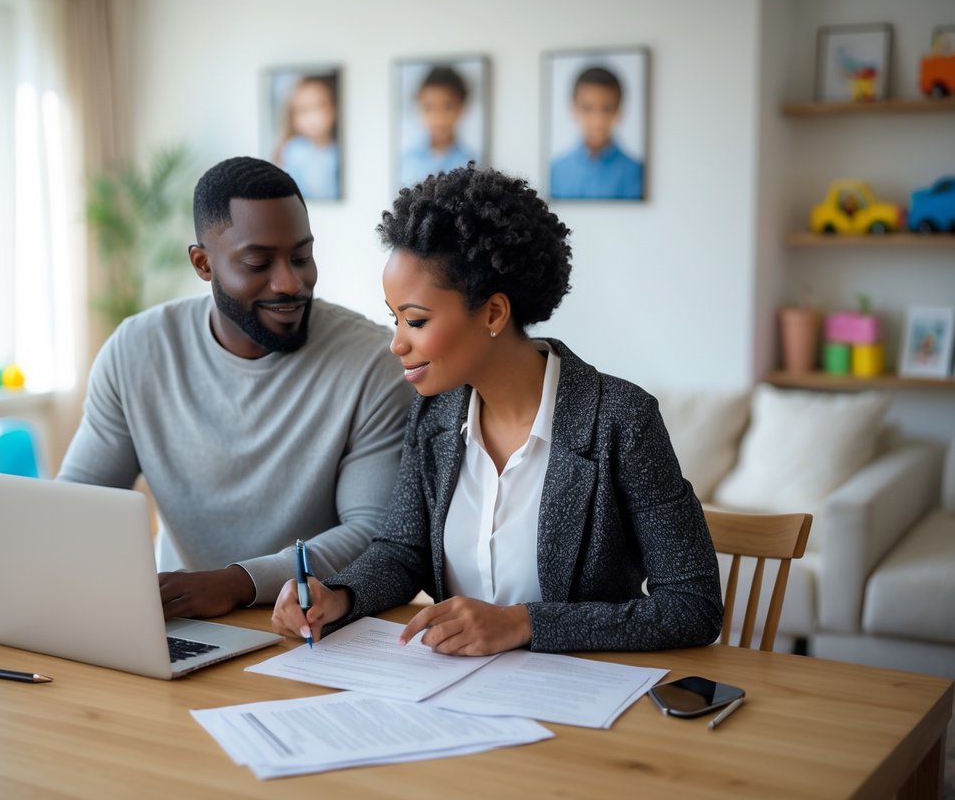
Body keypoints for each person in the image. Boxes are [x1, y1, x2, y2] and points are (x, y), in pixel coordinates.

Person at [273, 164, 723, 656]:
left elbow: (692, 606)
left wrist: (523, 624)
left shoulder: (622, 420)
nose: (397, 343)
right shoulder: (435, 414)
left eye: (416, 320)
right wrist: (338, 596)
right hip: (454, 692)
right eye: (394, 317)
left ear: (493, 313)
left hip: (580, 701)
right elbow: (402, 552)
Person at [59, 156, 412, 619]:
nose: (290, 282)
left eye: (302, 257)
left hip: (311, 626)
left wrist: (237, 583)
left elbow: (373, 533)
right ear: (203, 264)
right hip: (178, 621)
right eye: (258, 262)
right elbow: (80, 506)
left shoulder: (371, 362)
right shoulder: (136, 351)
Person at [549, 65, 644, 200]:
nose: (597, 121)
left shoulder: (637, 172)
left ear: (619, 111)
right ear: (573, 109)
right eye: (587, 108)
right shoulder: (555, 171)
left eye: (607, 109)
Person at [398, 66, 477, 187]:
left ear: (462, 107)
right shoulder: (406, 160)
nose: (438, 117)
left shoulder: (473, 163)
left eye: (448, 107)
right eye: (428, 107)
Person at [274, 75, 340, 200]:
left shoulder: (338, 151)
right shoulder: (292, 150)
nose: (313, 117)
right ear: (293, 116)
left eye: (320, 106)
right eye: (304, 110)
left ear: (334, 109)